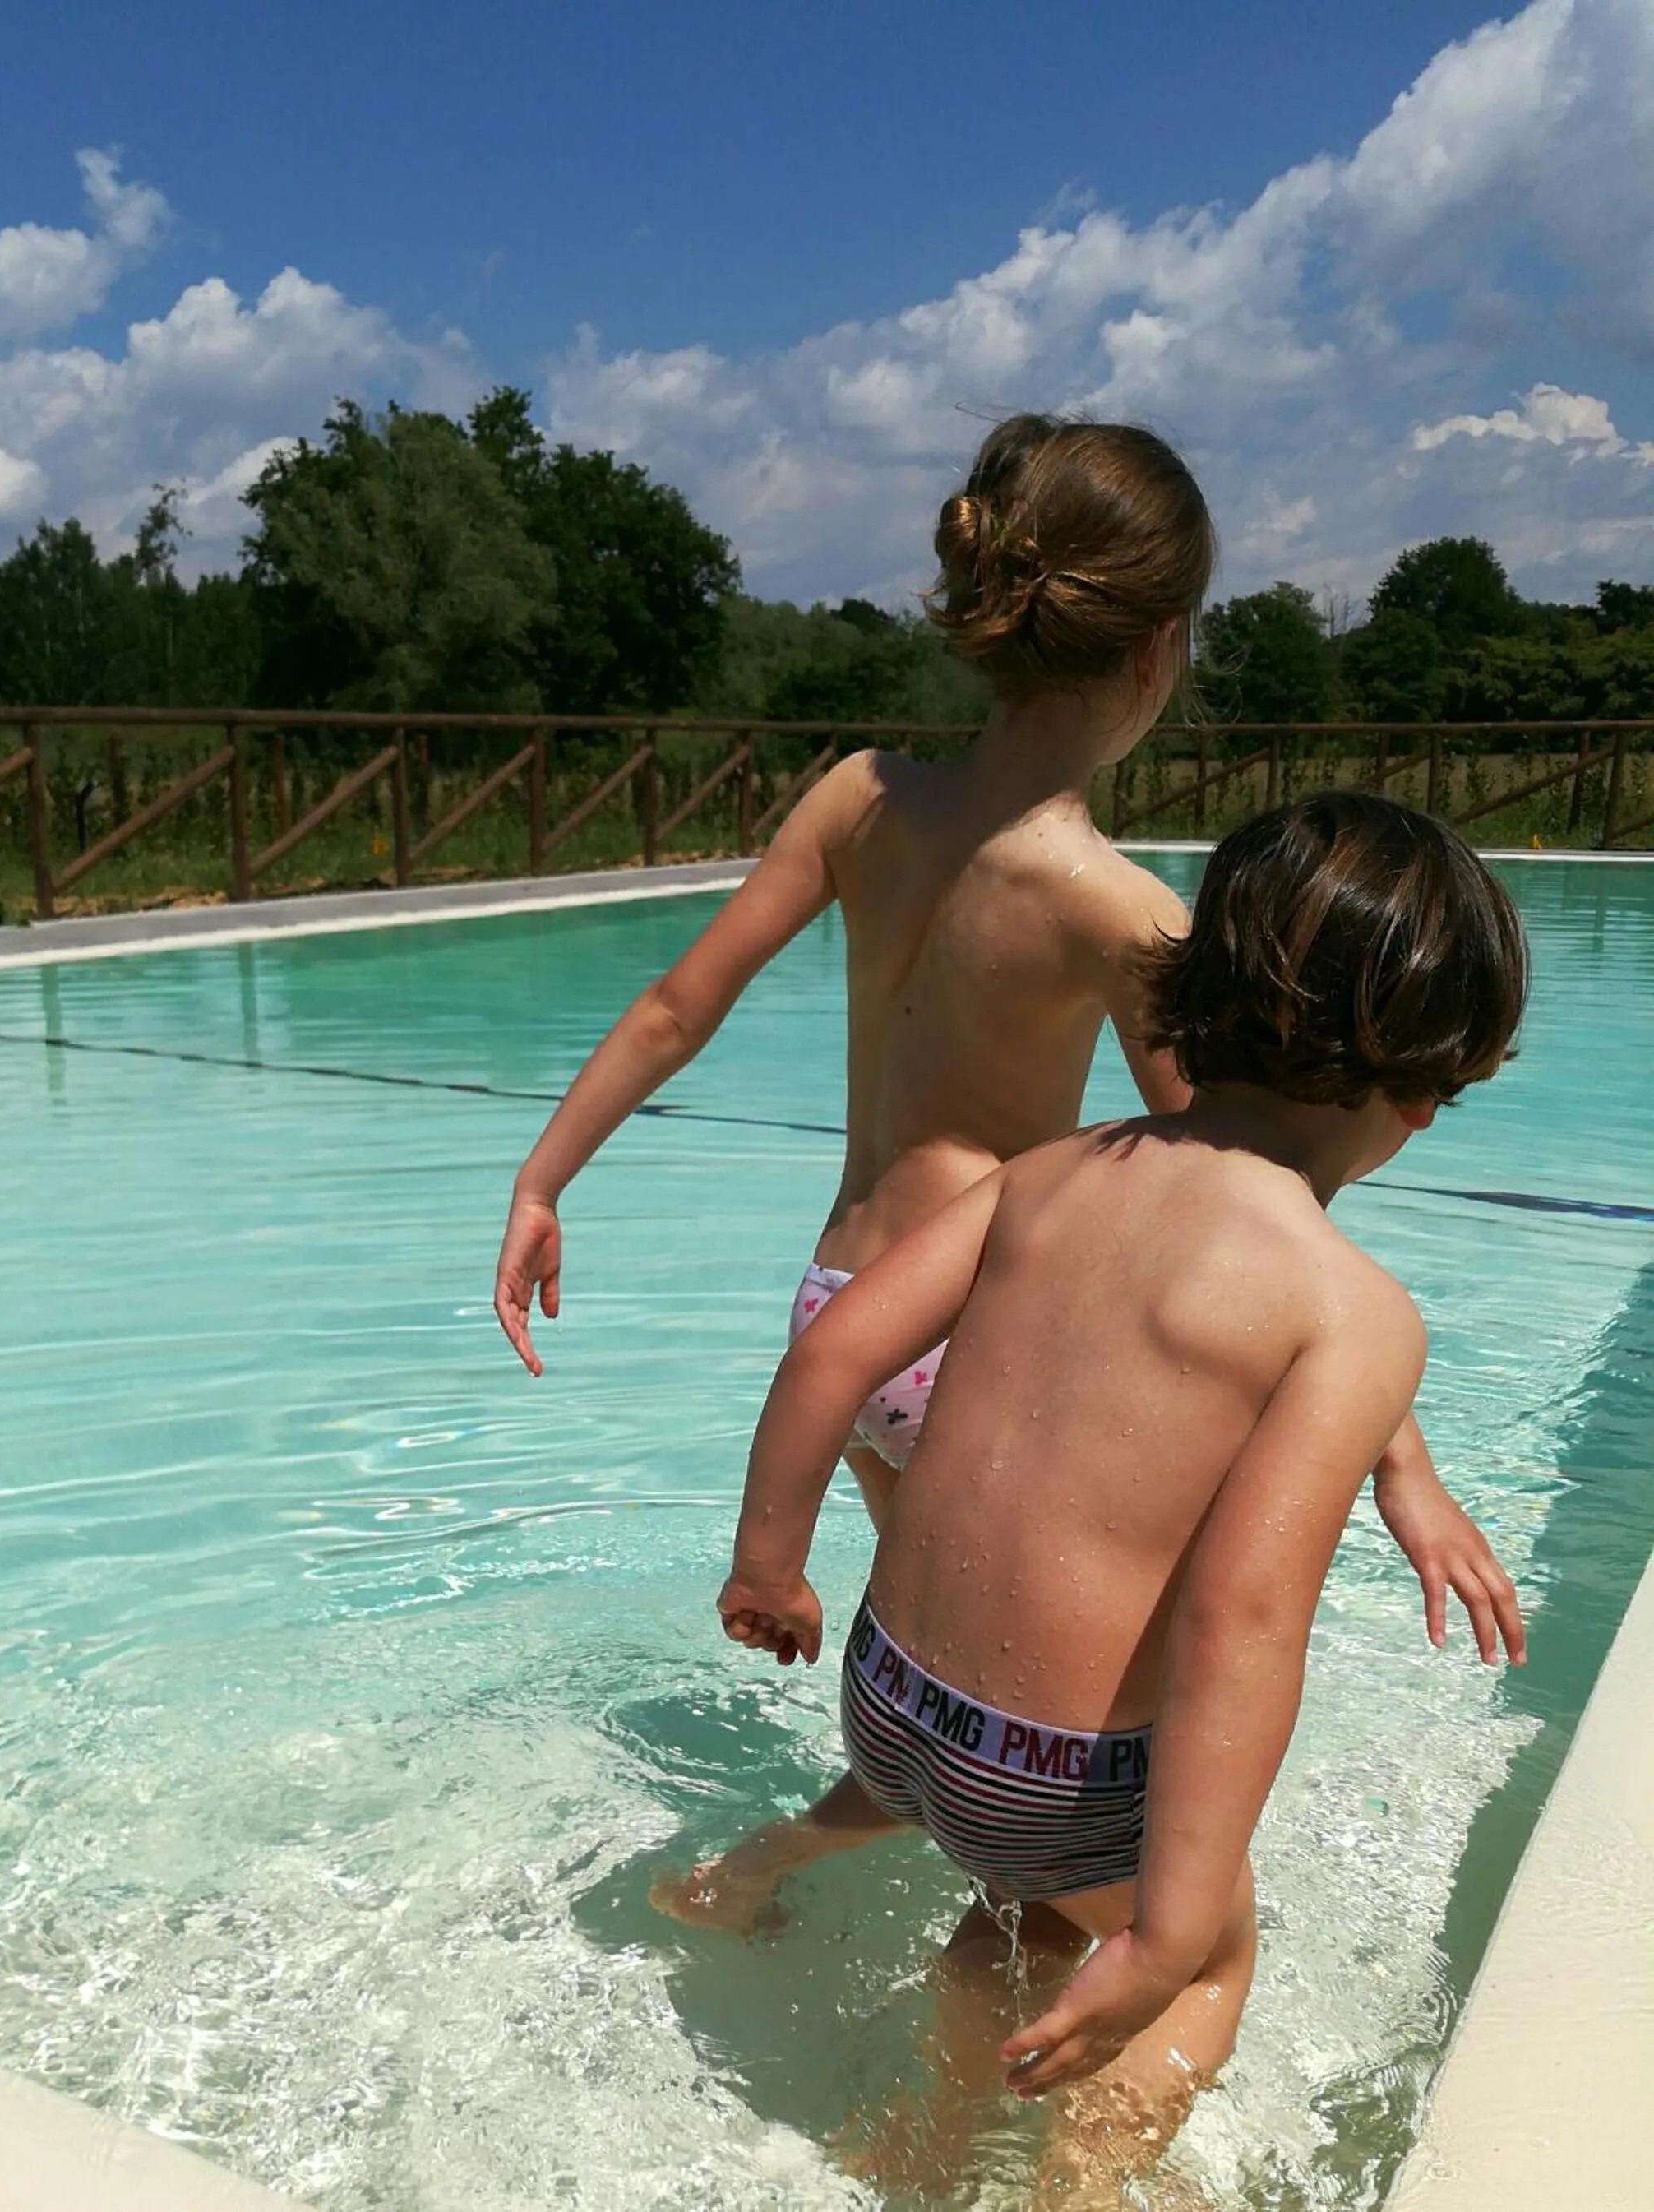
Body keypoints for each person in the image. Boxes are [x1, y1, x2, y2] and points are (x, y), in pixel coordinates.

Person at [494, 411, 1521, 1658]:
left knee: (936, 1667)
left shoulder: (858, 794)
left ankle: (788, 1854)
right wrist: (1397, 1459)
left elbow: (674, 1008)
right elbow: (1255, 1182)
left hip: (839, 1311)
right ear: (1159, 647)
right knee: (1059, 1698)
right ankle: (802, 1858)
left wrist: (542, 1179)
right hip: (964, 1338)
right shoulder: (1114, 903)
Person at [681, 794, 1530, 2202]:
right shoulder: (1352, 1311)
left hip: (890, 1709)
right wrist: (1175, 1929)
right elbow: (1244, 1616)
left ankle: (922, 2144)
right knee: (1206, 1956)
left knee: (1021, 1911)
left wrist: (769, 1567)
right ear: (1430, 1093)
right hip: (1055, 1780)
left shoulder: (1047, 1173)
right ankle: (1086, 2182)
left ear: (1190, 1003)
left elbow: (832, 1349)